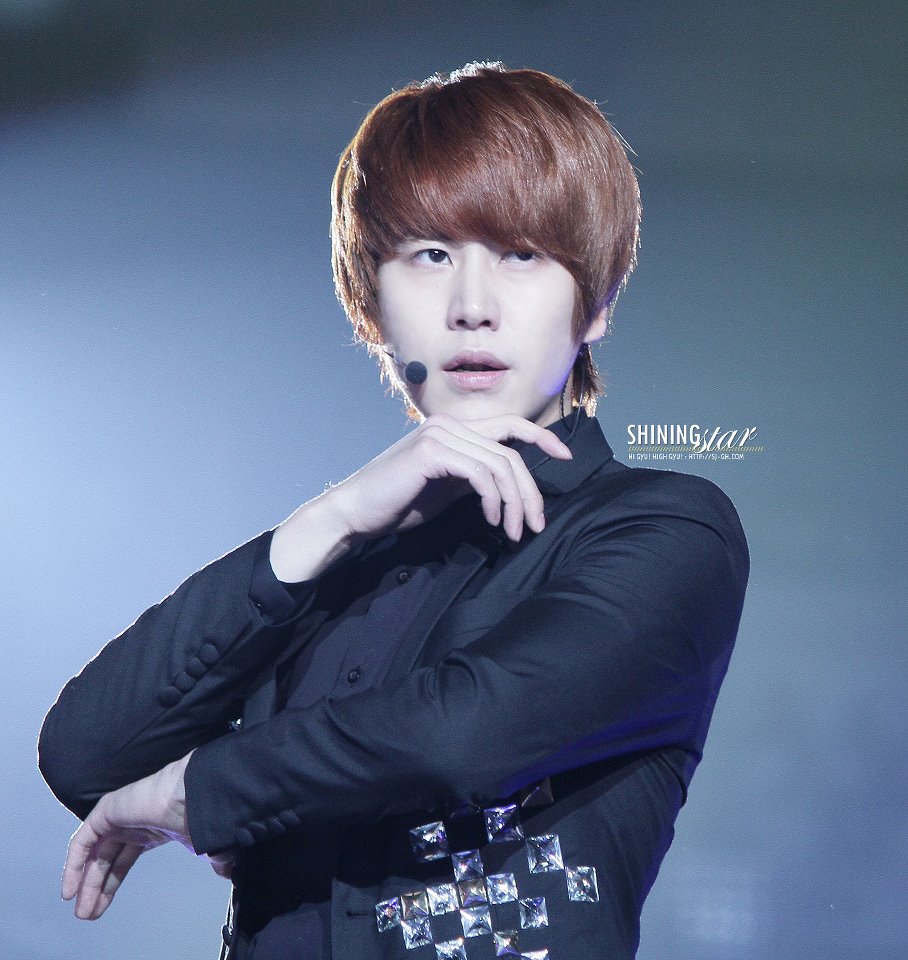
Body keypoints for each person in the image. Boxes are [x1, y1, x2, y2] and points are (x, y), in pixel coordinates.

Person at [39, 62, 749, 960]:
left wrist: (201, 790)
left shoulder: (663, 530)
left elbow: (465, 733)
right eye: (430, 256)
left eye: (522, 255)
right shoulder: (342, 559)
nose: (472, 308)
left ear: (597, 303)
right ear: (370, 302)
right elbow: (86, 753)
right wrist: (330, 522)